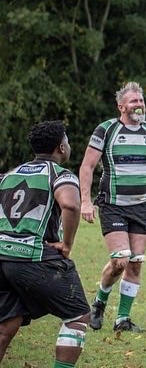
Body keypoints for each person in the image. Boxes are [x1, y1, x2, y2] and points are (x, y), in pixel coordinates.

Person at [80, 81, 146, 333]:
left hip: (141, 206)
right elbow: (87, 166)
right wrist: (86, 201)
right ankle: (99, 302)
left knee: (136, 262)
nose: (139, 105)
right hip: (113, 205)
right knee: (120, 260)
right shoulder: (106, 130)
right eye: (134, 101)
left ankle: (122, 319)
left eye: (141, 101)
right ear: (121, 106)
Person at [0, 121, 91, 367]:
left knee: (7, 323)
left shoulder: (10, 174)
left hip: (2, 257)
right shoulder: (60, 174)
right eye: (68, 141)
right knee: (78, 315)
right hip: (32, 257)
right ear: (61, 147)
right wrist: (67, 244)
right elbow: (71, 205)